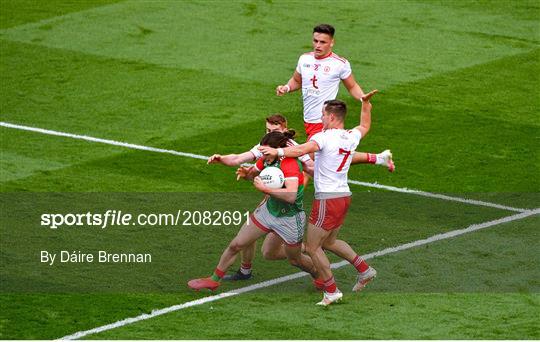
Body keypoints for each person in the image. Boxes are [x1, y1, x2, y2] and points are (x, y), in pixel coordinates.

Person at [207, 114, 393, 281]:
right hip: (272, 200)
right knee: (253, 241)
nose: (271, 133)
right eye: (268, 130)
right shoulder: (265, 145)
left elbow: (311, 169)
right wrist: (222, 159)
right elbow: (239, 159)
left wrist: (330, 168)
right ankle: (245, 271)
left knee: (286, 253)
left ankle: (318, 271)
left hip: (290, 202)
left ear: (285, 130)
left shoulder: (292, 149)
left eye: (275, 130)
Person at [259, 90, 378, 306]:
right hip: (344, 196)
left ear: (332, 117)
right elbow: (365, 126)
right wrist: (365, 104)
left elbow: (304, 149)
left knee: (313, 247)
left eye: (323, 114)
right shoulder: (351, 136)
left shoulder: (322, 137)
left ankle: (331, 291)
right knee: (330, 241)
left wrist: (278, 153)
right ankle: (364, 270)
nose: (321, 118)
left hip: (327, 199)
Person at [188, 131, 319, 291]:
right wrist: (246, 175)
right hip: (268, 211)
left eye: (265, 152)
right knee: (237, 244)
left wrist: (264, 188)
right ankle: (214, 279)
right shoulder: (266, 159)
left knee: (294, 260)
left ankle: (318, 275)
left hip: (289, 217)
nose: (263, 156)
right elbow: (252, 174)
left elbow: (291, 196)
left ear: (277, 149)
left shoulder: (290, 164)